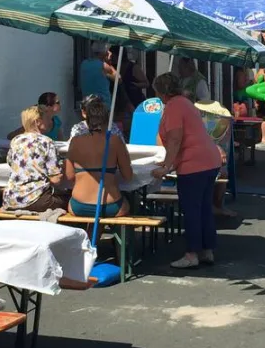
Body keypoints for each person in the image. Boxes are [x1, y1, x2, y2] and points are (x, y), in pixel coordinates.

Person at [150, 72, 223, 270]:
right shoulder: (185, 103)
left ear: (162, 92)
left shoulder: (173, 106)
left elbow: (175, 139)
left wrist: (166, 166)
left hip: (194, 164)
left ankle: (192, 254)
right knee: (204, 208)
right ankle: (207, 250)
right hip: (209, 160)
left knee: (191, 209)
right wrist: (171, 164)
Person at [65, 97, 133, 217]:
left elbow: (69, 176)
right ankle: (117, 235)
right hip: (110, 205)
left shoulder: (75, 141)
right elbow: (128, 176)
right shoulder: (115, 141)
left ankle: (92, 235)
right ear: (107, 120)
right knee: (132, 203)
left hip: (78, 205)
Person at [3, 106, 68, 213]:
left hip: (11, 200)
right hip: (36, 200)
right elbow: (55, 180)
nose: (50, 122)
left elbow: (11, 164)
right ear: (37, 122)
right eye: (47, 119)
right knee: (70, 201)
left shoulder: (15, 140)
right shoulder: (46, 142)